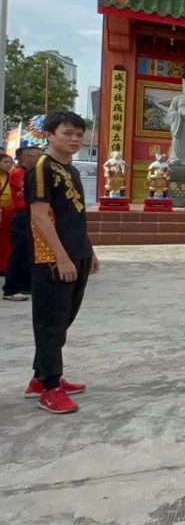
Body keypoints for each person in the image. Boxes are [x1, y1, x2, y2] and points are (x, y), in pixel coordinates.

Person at [24, 111, 98, 414]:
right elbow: (39, 216)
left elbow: (73, 217)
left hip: (76, 253)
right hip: (53, 258)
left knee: (63, 320)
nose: (74, 139)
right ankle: (50, 388)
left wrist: (88, 251)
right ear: (49, 135)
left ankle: (40, 379)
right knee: (51, 323)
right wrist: (62, 256)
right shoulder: (41, 167)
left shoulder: (72, 170)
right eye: (67, 133)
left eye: (79, 134)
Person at [4, 146, 42, 302]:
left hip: (31, 216)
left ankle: (26, 285)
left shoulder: (30, 174)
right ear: (25, 158)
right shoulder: (17, 174)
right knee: (19, 253)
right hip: (21, 216)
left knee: (29, 252)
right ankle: (11, 289)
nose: (41, 160)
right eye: (37, 156)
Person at [0, 153, 19, 275]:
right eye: (5, 162)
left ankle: (4, 266)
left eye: (10, 162)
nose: (8, 164)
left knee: (6, 240)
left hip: (8, 212)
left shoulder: (11, 176)